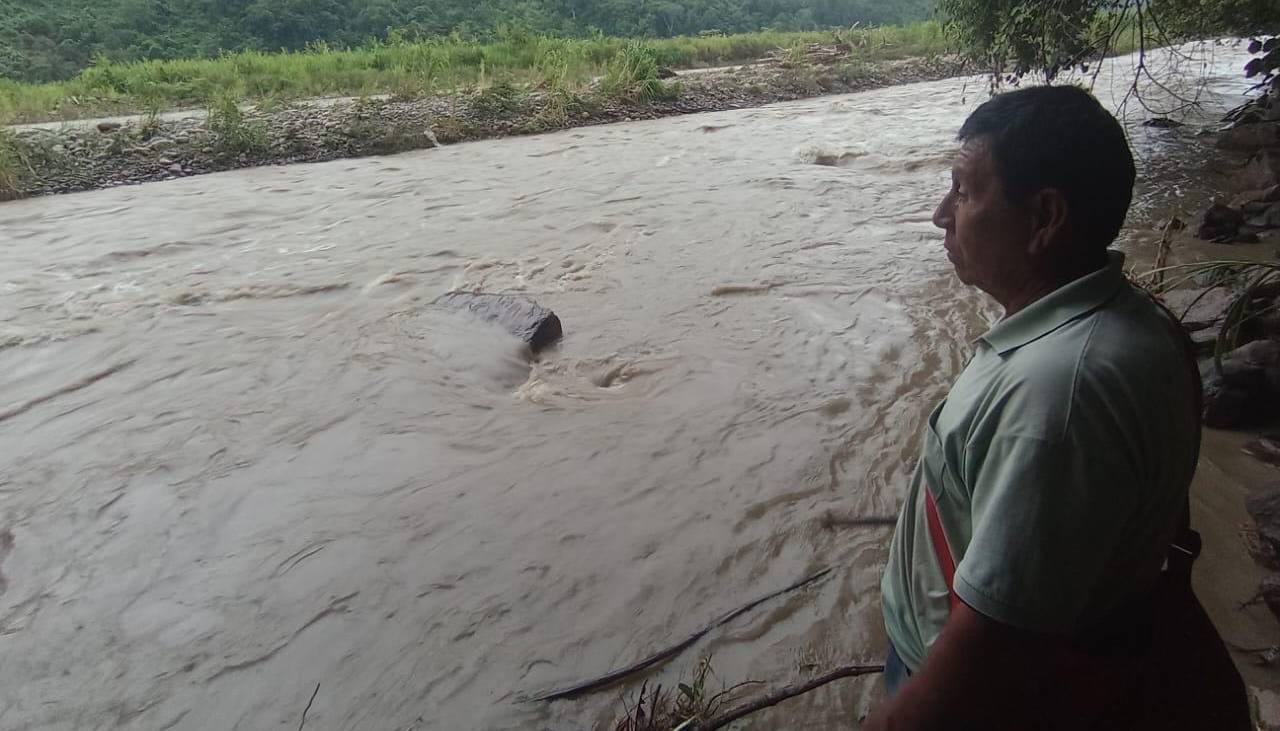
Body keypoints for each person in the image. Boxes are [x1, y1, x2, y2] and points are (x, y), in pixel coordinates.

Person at [864, 86, 1248, 730]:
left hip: (959, 683)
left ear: (1044, 218)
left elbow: (983, 665)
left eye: (962, 190)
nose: (940, 213)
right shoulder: (1132, 321)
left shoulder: (1058, 396)